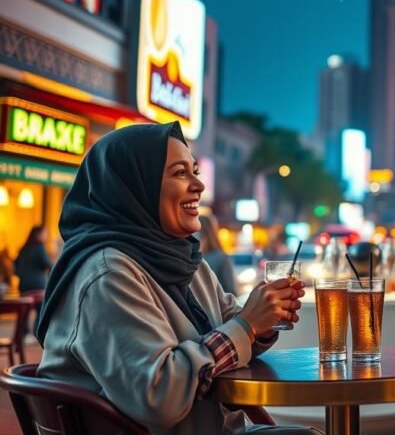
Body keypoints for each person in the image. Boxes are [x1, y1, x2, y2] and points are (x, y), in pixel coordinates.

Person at [36, 123, 315, 435]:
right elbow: (159, 396)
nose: (199, 184)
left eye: (195, 170)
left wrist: (262, 321)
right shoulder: (107, 274)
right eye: (181, 173)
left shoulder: (184, 261)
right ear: (134, 188)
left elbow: (229, 327)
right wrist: (247, 325)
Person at [198, 215, 237, 295]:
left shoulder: (220, 258)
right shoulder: (222, 258)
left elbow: (230, 291)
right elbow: (231, 292)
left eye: (199, 234)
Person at [15, 226, 52, 293]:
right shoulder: (40, 248)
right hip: (38, 286)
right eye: (45, 234)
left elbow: (15, 268)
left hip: (23, 286)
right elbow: (48, 265)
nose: (47, 236)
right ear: (37, 235)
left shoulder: (23, 249)